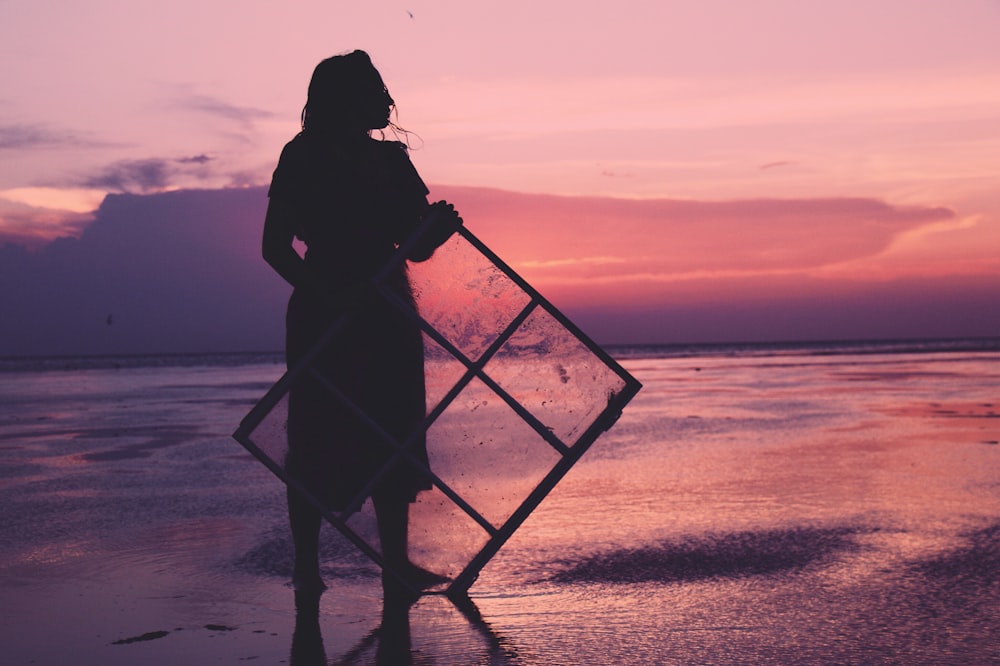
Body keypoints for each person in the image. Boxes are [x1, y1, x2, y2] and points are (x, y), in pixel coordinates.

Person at [262, 50, 461, 596]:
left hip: (387, 308)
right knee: (317, 430)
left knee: (391, 424)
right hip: (325, 307)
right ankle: (308, 571)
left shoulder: (393, 160)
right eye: (374, 88)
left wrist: (438, 231)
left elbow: (414, 251)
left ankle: (394, 564)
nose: (387, 99)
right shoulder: (302, 155)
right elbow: (274, 248)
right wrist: (329, 295)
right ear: (346, 97)